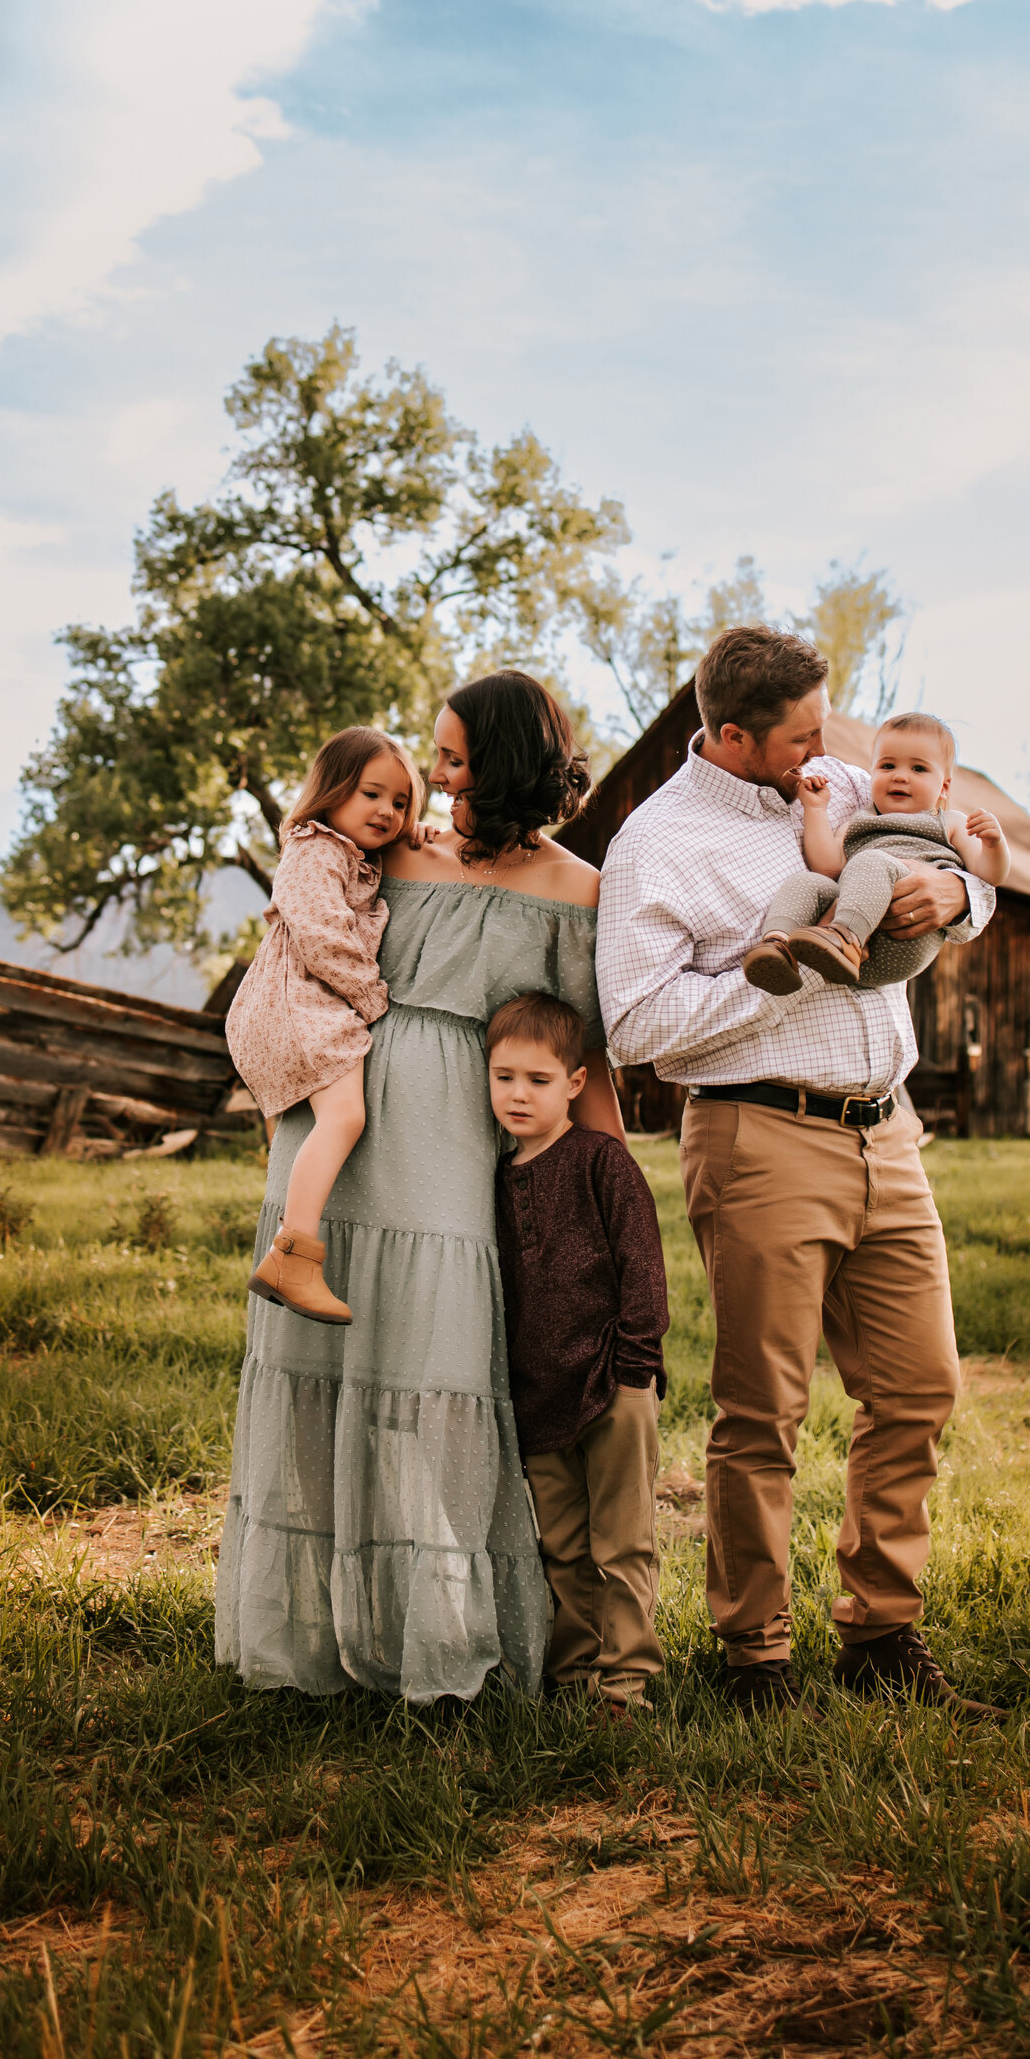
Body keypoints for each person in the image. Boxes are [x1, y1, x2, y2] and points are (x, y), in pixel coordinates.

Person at [595, 625, 1000, 1717]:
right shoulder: (658, 841)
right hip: (761, 1137)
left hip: (891, 1131)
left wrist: (954, 902)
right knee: (762, 1412)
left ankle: (880, 1634)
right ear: (730, 736)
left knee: (918, 1388)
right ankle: (755, 1660)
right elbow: (636, 1026)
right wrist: (804, 980)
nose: (835, 750)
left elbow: (961, 858)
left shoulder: (851, 781)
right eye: (803, 734)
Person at [215, 670, 625, 1703]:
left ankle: (435, 1636)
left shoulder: (580, 891)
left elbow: (588, 1059)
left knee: (437, 1374)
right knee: (322, 1370)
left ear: (505, 765)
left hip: (449, 1136)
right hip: (339, 1112)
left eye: (451, 759)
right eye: (431, 758)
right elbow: (303, 917)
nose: (432, 779)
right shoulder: (392, 853)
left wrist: (613, 1197)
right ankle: (317, 1640)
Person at [488, 991, 669, 1715]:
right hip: (538, 1397)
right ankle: (572, 1682)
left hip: (613, 1386)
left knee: (621, 1545)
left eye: (538, 1080)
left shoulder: (603, 1164)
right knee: (563, 1549)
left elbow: (643, 1270)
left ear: (574, 1083)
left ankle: (626, 1685)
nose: (519, 1094)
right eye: (504, 1077)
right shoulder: (495, 1181)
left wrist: (634, 1370)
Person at [223, 727, 425, 1325]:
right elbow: (321, 936)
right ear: (334, 790)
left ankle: (296, 1251)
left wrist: (419, 833)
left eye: (401, 802)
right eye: (372, 795)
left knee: (341, 1117)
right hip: (295, 1002)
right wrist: (373, 998)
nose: (387, 811)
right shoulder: (313, 849)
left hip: (306, 1001)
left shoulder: (350, 854)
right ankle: (293, 1254)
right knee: (345, 1116)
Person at [743, 713, 1010, 995]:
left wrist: (994, 844)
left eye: (918, 769)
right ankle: (777, 947)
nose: (899, 776)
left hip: (904, 941)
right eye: (887, 765)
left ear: (943, 786)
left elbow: (988, 875)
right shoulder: (859, 823)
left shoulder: (951, 822)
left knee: (872, 861)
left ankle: (846, 939)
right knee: (805, 883)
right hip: (842, 940)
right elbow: (828, 868)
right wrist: (816, 809)